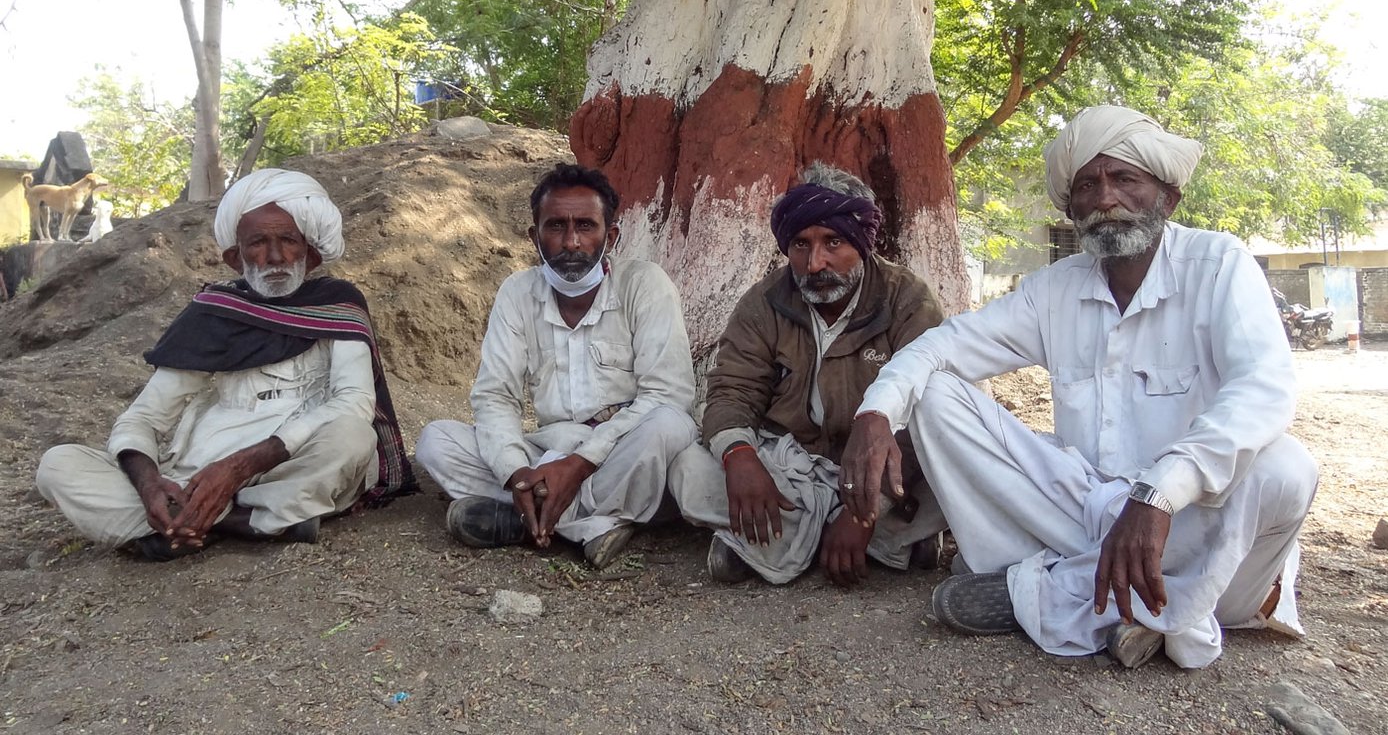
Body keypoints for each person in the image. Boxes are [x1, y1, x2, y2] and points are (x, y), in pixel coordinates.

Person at [840, 106, 1318, 669]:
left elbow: (1264, 389)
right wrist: (874, 415)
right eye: (1087, 185)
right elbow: (940, 347)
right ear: (1070, 208)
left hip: (1197, 534)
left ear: (1168, 197)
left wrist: (1160, 492)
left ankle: (1050, 594)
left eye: (1125, 179)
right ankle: (1122, 608)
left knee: (1285, 467)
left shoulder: (1218, 265)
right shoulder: (1054, 290)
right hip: (1085, 510)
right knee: (936, 394)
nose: (1105, 198)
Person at [36, 169, 416, 560]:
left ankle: (197, 521)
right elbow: (145, 418)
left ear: (310, 251)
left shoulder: (338, 305)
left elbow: (353, 402)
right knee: (58, 465)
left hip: (290, 466)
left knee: (353, 436)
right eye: (258, 243)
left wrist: (238, 468)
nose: (275, 257)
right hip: (197, 473)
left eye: (288, 240)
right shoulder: (214, 314)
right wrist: (150, 485)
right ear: (235, 257)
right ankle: (245, 520)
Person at [670, 162, 947, 586]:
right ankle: (894, 545)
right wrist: (739, 458)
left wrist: (866, 510)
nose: (815, 263)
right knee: (689, 466)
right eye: (801, 244)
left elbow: (930, 408)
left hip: (883, 473)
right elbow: (730, 390)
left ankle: (765, 545)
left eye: (833, 242)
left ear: (862, 241)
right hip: (791, 468)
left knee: (951, 469)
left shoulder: (905, 299)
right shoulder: (765, 302)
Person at [415, 163, 697, 569]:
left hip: (621, 448)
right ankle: (586, 524)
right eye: (555, 227)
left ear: (610, 236)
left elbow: (667, 395)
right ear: (535, 236)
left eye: (585, 226)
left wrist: (580, 465)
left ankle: (526, 520)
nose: (571, 242)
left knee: (669, 426)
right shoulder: (517, 292)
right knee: (436, 441)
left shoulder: (645, 284)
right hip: (550, 449)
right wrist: (516, 473)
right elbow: (496, 396)